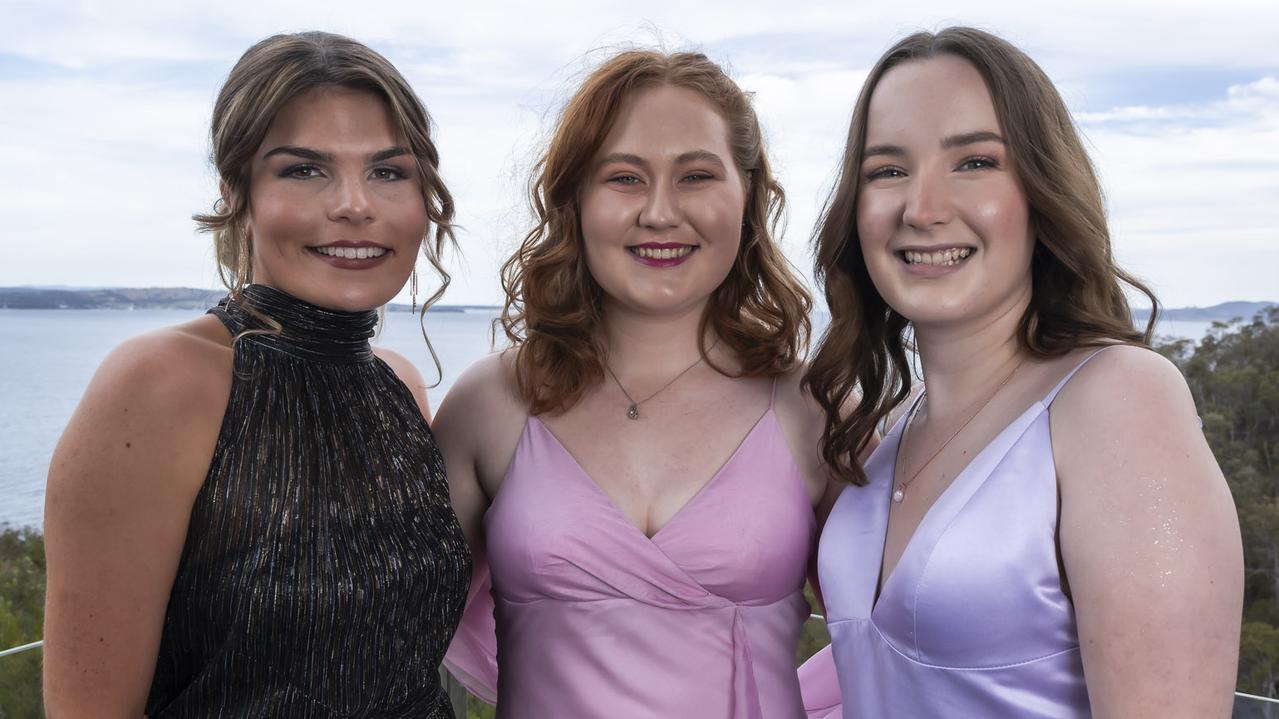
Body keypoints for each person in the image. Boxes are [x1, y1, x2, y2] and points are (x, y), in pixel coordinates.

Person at [803, 26, 1244, 717]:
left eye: (973, 162)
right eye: (886, 170)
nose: (921, 208)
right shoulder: (887, 431)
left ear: (1040, 191)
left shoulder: (1118, 399)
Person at [42, 31, 470, 717]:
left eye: (389, 171)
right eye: (304, 170)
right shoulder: (161, 385)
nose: (355, 204)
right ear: (236, 192)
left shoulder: (399, 385)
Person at [437, 49, 850, 718]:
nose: (660, 212)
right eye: (624, 177)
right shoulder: (488, 403)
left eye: (695, 176)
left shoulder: (815, 411)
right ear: (575, 198)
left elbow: (908, 638)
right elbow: (382, 623)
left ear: (746, 196)